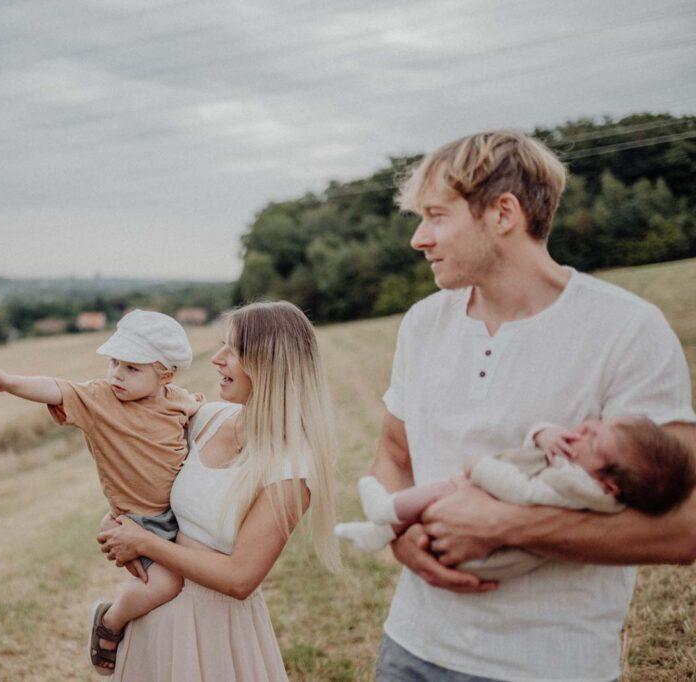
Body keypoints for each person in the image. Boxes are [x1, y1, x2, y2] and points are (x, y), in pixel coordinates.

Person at [367, 130, 696, 681]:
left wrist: (503, 524)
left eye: (436, 215)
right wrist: (398, 536)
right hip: (411, 649)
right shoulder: (423, 323)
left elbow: (684, 527)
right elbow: (393, 457)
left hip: (548, 665)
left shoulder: (627, 329)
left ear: (503, 213)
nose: (419, 239)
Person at [97, 301, 340, 681]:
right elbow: (143, 464)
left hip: (216, 631)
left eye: (234, 351)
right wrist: (118, 516)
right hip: (156, 618)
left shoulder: (291, 467)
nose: (217, 359)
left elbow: (240, 578)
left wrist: (144, 544)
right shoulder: (206, 420)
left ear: (269, 366)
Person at [0, 309, 203, 675]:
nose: (117, 374)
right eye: (114, 363)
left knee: (194, 584)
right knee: (167, 585)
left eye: (132, 368)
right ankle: (111, 620)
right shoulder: (100, 399)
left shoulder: (178, 400)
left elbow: (202, 415)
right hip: (141, 519)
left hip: (178, 515)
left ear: (165, 375)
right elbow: (55, 387)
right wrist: (8, 382)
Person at [336, 416, 695, 580]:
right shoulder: (586, 473)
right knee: (448, 495)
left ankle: (385, 511)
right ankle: (381, 532)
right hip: (465, 554)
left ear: (610, 486)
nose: (582, 432)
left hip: (483, 556)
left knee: (449, 488)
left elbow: (523, 491)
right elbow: (536, 447)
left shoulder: (580, 489)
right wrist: (544, 433)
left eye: (594, 440)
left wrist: (479, 469)